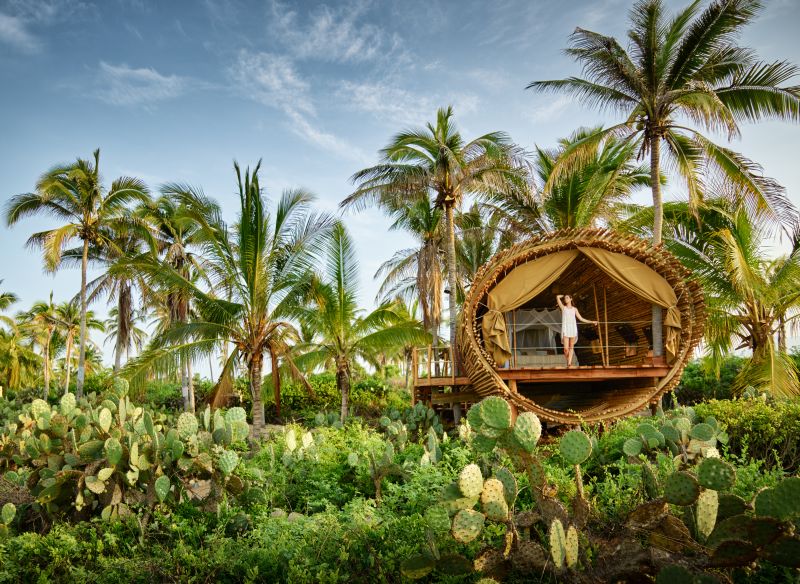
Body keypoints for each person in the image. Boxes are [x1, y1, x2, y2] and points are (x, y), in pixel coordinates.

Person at [556, 294, 598, 368]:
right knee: (566, 349)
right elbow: (557, 298)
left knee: (571, 347)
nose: (566, 299)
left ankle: (569, 364)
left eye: (567, 298)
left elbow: (581, 319)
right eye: (565, 298)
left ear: (571, 299)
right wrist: (561, 296)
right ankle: (569, 361)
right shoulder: (564, 308)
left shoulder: (574, 309)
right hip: (566, 328)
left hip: (572, 328)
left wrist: (592, 321)